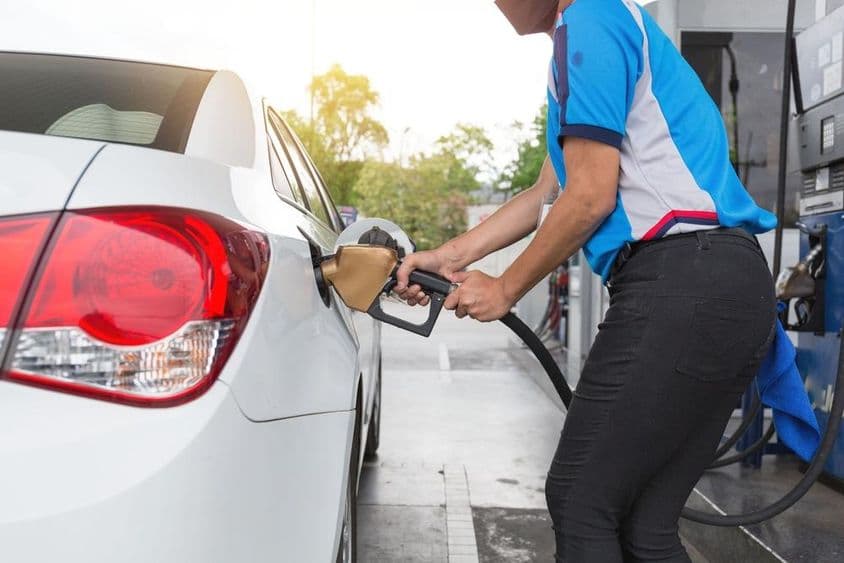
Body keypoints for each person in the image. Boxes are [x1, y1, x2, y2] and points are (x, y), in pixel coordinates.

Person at [395, 0, 779, 561]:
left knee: (581, 500)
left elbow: (590, 196)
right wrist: (446, 257)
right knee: (645, 527)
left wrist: (504, 290)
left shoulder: (589, 22)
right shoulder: (604, 27)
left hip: (682, 283)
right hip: (725, 286)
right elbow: (544, 195)